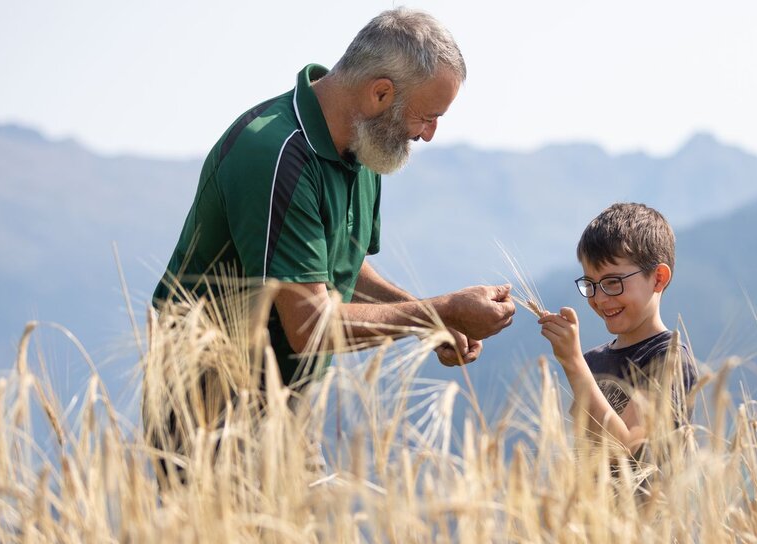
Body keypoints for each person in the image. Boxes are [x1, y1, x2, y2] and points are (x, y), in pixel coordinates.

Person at [153, 8, 515, 389]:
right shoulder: (275, 157)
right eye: (427, 116)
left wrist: (434, 321)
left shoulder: (366, 143)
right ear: (381, 93)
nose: (429, 134)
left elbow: (336, 266)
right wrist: (440, 311)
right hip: (206, 399)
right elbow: (310, 327)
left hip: (284, 397)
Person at [537, 202, 697, 454]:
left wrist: (572, 362)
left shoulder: (668, 358)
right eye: (590, 284)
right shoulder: (592, 361)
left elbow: (628, 450)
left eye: (613, 282)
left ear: (658, 278)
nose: (600, 298)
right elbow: (583, 450)